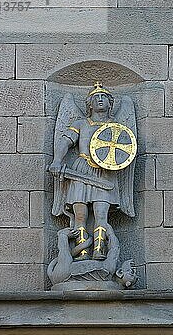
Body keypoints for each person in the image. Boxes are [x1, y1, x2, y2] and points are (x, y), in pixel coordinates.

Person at [49, 83, 127, 261]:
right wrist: (57, 160)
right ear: (89, 104)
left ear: (110, 103)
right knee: (80, 214)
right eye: (96, 97)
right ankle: (81, 252)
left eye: (104, 97)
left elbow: (125, 150)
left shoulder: (116, 127)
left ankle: (100, 250)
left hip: (105, 172)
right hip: (81, 170)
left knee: (101, 214)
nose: (100, 100)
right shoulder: (81, 124)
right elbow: (65, 142)